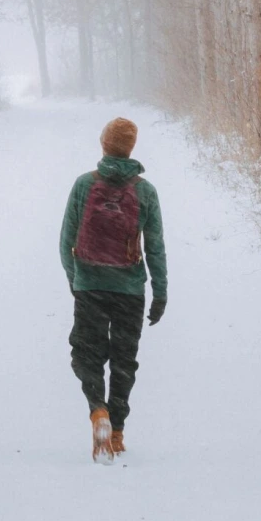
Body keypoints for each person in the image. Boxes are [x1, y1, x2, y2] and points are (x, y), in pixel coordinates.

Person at [59, 116, 167, 462]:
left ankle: (98, 411)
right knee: (124, 361)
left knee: (86, 354)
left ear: (104, 145)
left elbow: (66, 241)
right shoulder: (145, 191)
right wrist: (160, 292)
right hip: (130, 289)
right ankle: (117, 432)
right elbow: (155, 247)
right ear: (130, 148)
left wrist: (76, 281)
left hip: (89, 283)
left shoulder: (84, 185)